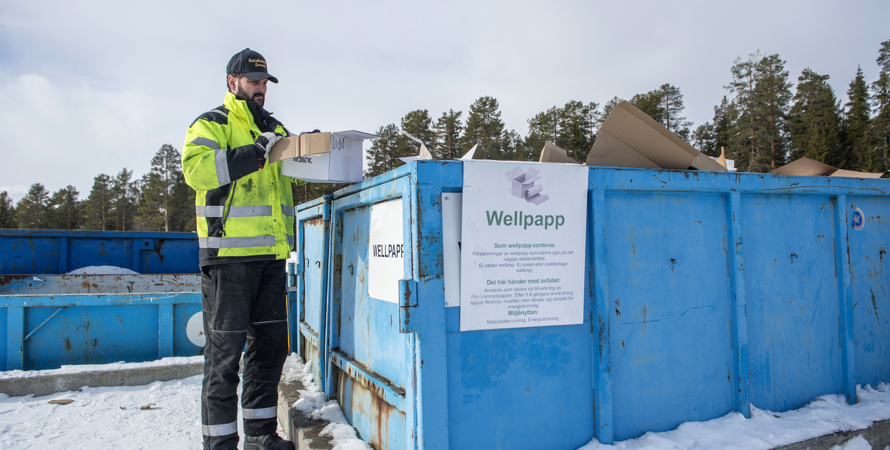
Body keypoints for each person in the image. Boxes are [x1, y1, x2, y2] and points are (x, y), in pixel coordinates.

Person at [182, 48, 302, 450]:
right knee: (223, 363)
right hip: (228, 262)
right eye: (253, 81)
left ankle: (261, 438)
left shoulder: (276, 129)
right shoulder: (212, 123)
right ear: (232, 82)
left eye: (265, 82)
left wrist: (312, 152)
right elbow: (196, 170)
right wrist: (254, 153)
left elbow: (285, 183)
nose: (260, 89)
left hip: (270, 258)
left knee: (269, 353)